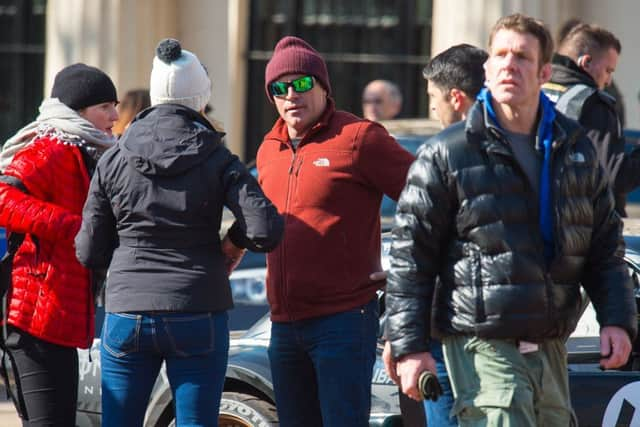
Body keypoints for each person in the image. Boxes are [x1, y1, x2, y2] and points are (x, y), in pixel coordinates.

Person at [385, 13, 637, 427]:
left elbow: (604, 248)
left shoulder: (573, 149)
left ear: (542, 72)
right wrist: (410, 346)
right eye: (500, 54)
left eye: (521, 56)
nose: (508, 64)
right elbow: (411, 255)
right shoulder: (448, 152)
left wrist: (617, 321)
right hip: (480, 340)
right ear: (487, 70)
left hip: (550, 340)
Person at [75, 38, 283, 427]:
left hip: (127, 308)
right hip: (198, 305)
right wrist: (233, 243)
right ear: (201, 97)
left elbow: (87, 250)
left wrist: (123, 268)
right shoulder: (218, 157)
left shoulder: (114, 158)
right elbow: (266, 227)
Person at [258, 36, 415, 427]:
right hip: (283, 326)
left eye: (302, 83)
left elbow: (429, 198)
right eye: (280, 87)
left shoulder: (359, 138)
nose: (292, 94)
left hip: (343, 321)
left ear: (324, 86)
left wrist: (408, 270)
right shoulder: (267, 149)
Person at [0, 63, 119, 425]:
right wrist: (77, 228)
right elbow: (3, 197)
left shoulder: (89, 150)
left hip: (58, 318)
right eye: (105, 107)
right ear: (79, 111)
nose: (115, 115)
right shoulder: (51, 148)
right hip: (33, 320)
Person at [383, 43, 488, 427]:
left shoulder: (438, 154)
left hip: (449, 339)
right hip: (492, 340)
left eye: (432, 99)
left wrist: (405, 338)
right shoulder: (528, 148)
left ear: (456, 98)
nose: (432, 109)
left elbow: (411, 256)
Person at [542, 24, 631, 215]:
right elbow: (615, 177)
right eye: (608, 70)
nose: (608, 81)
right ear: (586, 62)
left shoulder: (534, 89)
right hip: (581, 223)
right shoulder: (593, 104)